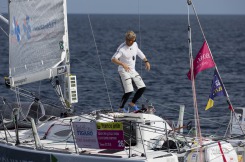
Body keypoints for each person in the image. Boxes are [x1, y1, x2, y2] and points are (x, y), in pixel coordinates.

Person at [111, 31, 150, 112]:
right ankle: (121, 108)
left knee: (142, 88)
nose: (128, 42)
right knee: (129, 91)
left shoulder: (135, 45)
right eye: (127, 40)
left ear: (134, 40)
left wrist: (146, 61)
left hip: (132, 70)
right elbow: (113, 59)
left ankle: (132, 103)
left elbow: (138, 52)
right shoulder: (122, 48)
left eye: (130, 40)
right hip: (123, 70)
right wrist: (122, 64)